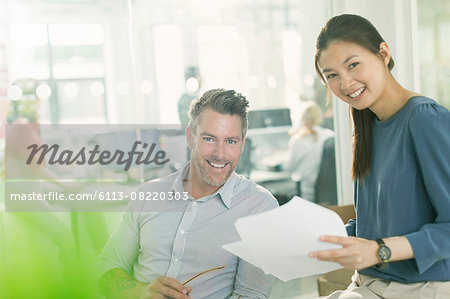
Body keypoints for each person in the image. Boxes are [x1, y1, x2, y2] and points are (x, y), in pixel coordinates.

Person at [309, 14, 450, 298]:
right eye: (332, 75)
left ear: (383, 53)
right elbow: (377, 222)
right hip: (365, 284)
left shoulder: (424, 120)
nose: (346, 83)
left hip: (417, 288)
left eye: (353, 65)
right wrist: (320, 237)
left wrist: (379, 250)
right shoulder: (367, 126)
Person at [97, 89, 279, 299]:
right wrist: (140, 291)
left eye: (231, 141)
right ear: (190, 137)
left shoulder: (260, 207)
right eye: (209, 139)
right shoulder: (148, 195)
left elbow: (252, 295)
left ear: (242, 144)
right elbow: (106, 267)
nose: (220, 154)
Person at [283, 101, 333, 202]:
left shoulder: (297, 140)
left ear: (302, 119)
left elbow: (289, 167)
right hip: (328, 195)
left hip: (306, 195)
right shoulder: (330, 136)